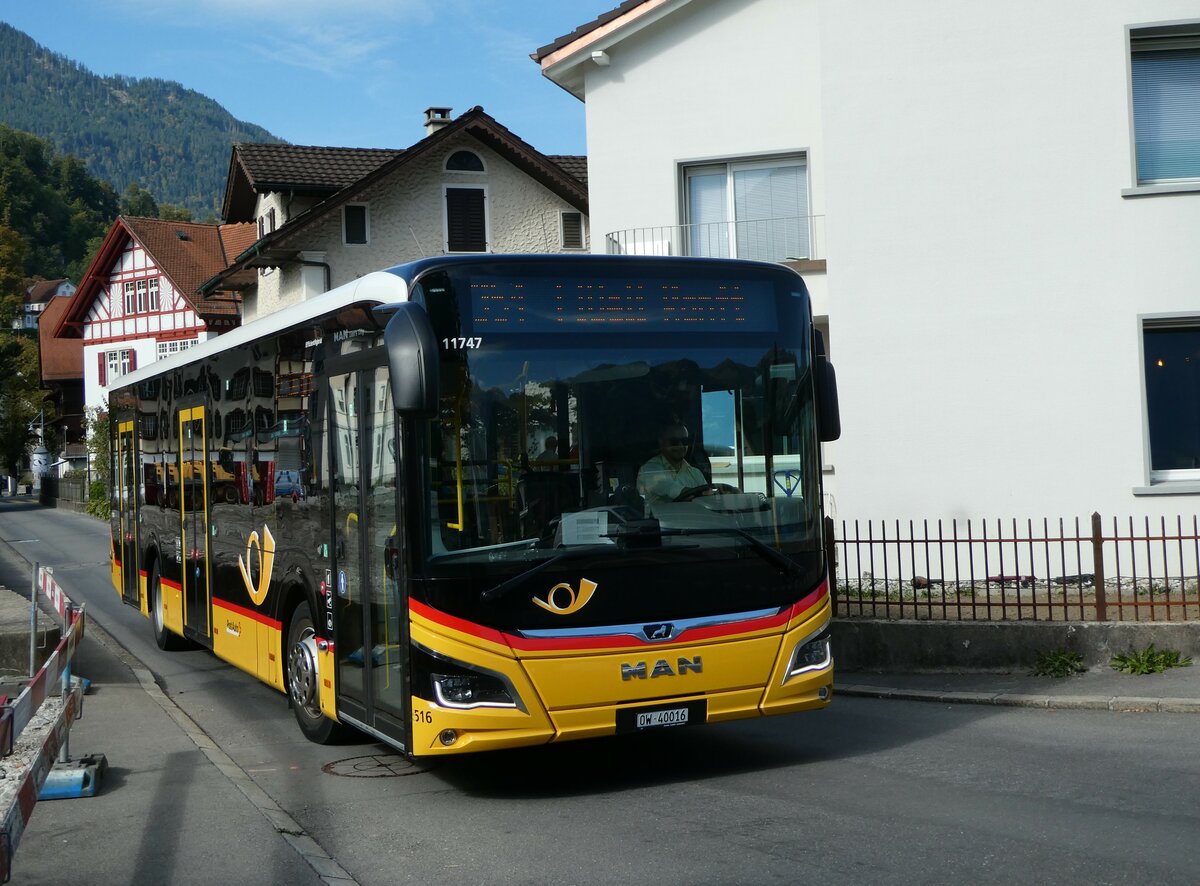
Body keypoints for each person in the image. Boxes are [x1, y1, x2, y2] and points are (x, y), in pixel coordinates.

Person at [637, 423, 733, 508]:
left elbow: (707, 500)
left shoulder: (695, 473)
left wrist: (721, 495)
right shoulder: (649, 469)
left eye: (685, 441)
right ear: (661, 442)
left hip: (695, 524)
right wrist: (701, 494)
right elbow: (672, 490)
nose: (680, 445)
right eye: (674, 442)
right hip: (658, 526)